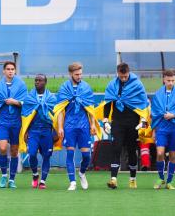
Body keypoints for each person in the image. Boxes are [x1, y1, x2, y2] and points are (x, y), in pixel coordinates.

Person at [97, 63, 149, 189]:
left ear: (129, 73)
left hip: (133, 122)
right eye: (121, 77)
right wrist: (105, 120)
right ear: (118, 73)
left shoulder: (137, 84)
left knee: (131, 150)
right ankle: (113, 179)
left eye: (125, 76)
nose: (124, 79)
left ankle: (133, 179)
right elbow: (108, 102)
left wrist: (142, 120)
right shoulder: (112, 85)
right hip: (117, 122)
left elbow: (143, 104)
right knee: (116, 148)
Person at [54, 62, 98, 191]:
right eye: (77, 74)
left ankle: (82, 173)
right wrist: (60, 127)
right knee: (70, 153)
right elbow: (60, 110)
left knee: (86, 156)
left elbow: (90, 108)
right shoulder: (64, 88)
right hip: (69, 126)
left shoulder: (86, 88)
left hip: (84, 126)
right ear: (70, 74)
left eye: (80, 74)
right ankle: (72, 182)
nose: (79, 76)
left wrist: (93, 124)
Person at [0, 61, 27, 189]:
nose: (10, 71)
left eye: (12, 69)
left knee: (14, 151)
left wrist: (15, 102)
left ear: (15, 71)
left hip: (16, 122)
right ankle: (4, 175)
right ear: (3, 71)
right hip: (2, 122)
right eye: (8, 69)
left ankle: (12, 179)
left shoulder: (21, 85)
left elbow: (26, 103)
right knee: (3, 148)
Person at [150, 69, 175, 190]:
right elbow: (154, 113)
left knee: (173, 155)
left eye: (173, 80)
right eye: (168, 80)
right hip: (161, 129)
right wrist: (154, 131)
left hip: (174, 129)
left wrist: (174, 115)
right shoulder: (158, 94)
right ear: (164, 79)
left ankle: (169, 181)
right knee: (160, 153)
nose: (170, 83)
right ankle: (161, 178)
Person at [19, 74, 58, 189]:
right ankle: (35, 174)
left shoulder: (51, 98)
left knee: (47, 156)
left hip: (47, 131)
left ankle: (43, 181)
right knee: (31, 154)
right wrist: (26, 131)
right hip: (33, 131)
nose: (37, 82)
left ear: (45, 82)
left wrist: (55, 131)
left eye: (40, 80)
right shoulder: (29, 98)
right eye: (36, 80)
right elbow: (25, 116)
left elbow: (56, 116)